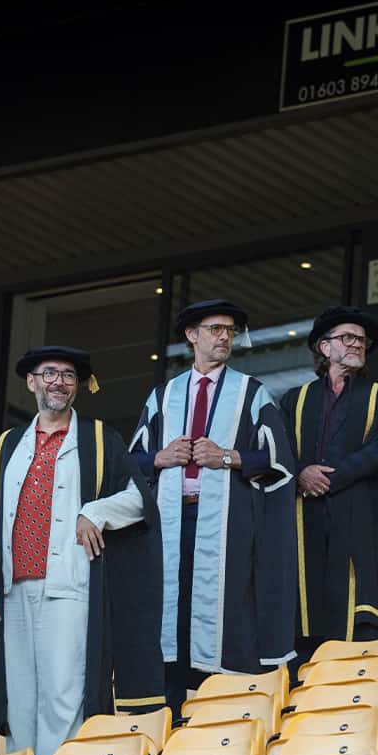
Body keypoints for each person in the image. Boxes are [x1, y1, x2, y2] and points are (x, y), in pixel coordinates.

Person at [0, 346, 164, 755]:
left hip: (69, 583)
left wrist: (94, 511)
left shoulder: (99, 438)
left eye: (69, 375)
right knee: (19, 695)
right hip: (12, 586)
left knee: (63, 693)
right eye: (50, 373)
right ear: (32, 382)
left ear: (78, 386)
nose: (59, 381)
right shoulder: (8, 444)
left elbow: (139, 498)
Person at [129, 300, 298, 707]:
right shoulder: (163, 396)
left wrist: (227, 457)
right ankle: (169, 704)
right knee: (170, 607)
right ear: (192, 336)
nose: (224, 337)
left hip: (227, 522)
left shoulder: (252, 393)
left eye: (229, 331)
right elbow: (130, 462)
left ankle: (223, 702)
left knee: (223, 606)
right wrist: (160, 457)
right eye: (215, 329)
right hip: (172, 518)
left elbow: (279, 461)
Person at [280, 306, 378, 656]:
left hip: (358, 507)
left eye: (361, 340)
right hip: (306, 514)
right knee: (308, 597)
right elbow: (282, 449)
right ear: (324, 347)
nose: (356, 345)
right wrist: (302, 472)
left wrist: (327, 479)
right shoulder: (296, 399)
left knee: (353, 596)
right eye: (347, 338)